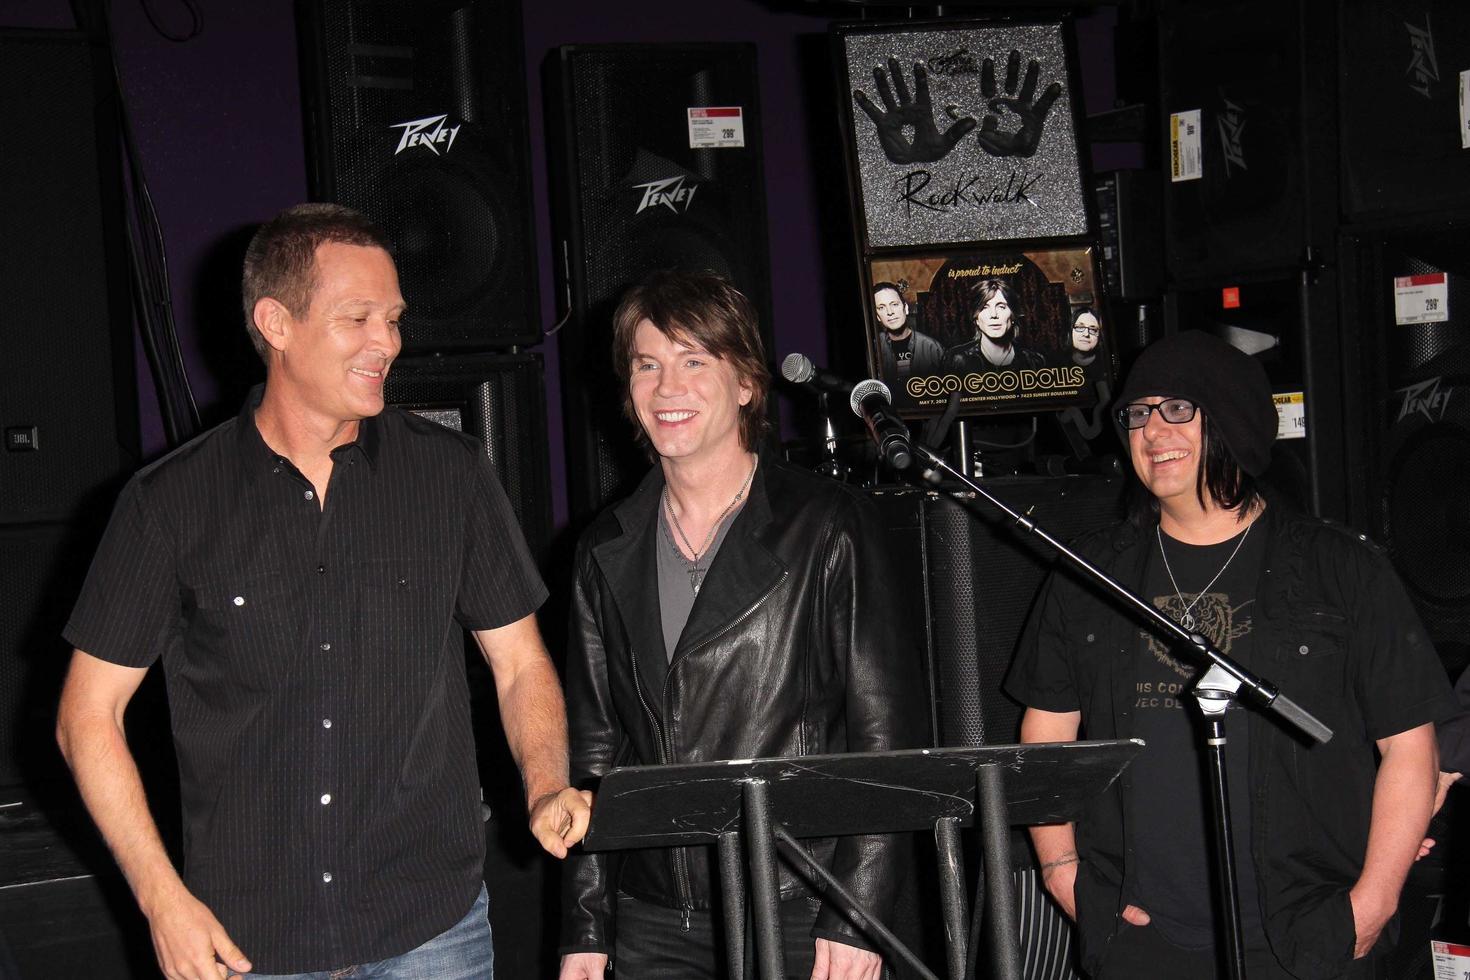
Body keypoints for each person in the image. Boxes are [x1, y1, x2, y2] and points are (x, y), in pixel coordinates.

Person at [55, 203, 591, 979]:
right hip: (248, 943)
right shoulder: (168, 503)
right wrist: (160, 897)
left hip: (431, 929)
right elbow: (85, 717)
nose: (389, 342)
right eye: (358, 318)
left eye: (395, 318)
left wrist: (545, 785)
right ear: (276, 322)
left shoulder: (451, 475)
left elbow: (519, 665)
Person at [1006, 330, 1453, 979]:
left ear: (1234, 420)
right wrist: (1061, 873)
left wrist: (1373, 904)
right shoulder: (1089, 572)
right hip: (1138, 933)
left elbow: (1411, 747)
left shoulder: (1339, 569)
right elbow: (1046, 735)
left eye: (1177, 409)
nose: (1152, 430)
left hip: (1305, 931)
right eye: (1137, 413)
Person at [557, 270, 925, 980]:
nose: (668, 387)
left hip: (801, 904)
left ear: (748, 383)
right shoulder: (604, 546)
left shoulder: (827, 524)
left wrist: (857, 913)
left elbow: (888, 737)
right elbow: (593, 756)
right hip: (654, 919)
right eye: (648, 365)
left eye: (695, 361)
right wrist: (586, 927)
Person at [945, 278, 1048, 373]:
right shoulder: (958, 359)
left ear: (1013, 315)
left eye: (1001, 307)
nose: (993, 315)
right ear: (976, 318)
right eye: (984, 307)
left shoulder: (1034, 361)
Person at [872, 281, 943, 383]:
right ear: (878, 316)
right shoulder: (873, 348)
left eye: (894, 304)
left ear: (906, 308)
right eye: (881, 307)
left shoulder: (932, 347)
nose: (889, 312)